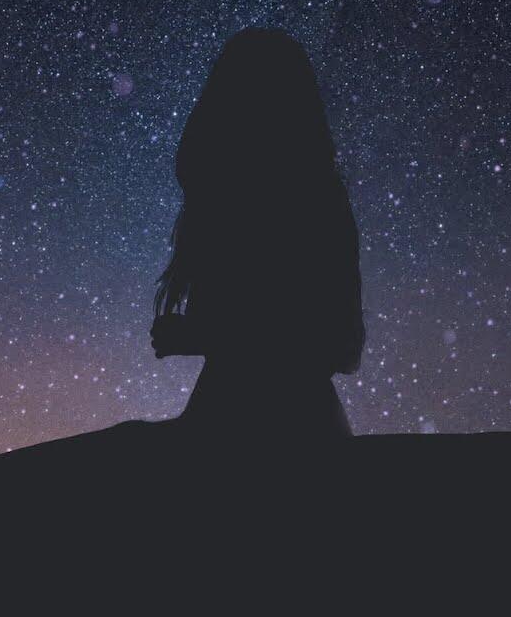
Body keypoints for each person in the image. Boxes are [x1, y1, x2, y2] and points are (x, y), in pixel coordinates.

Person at [150, 28, 365, 439]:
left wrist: (204, 336)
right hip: (243, 420)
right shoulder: (227, 208)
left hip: (293, 428)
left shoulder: (316, 202)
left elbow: (341, 345)